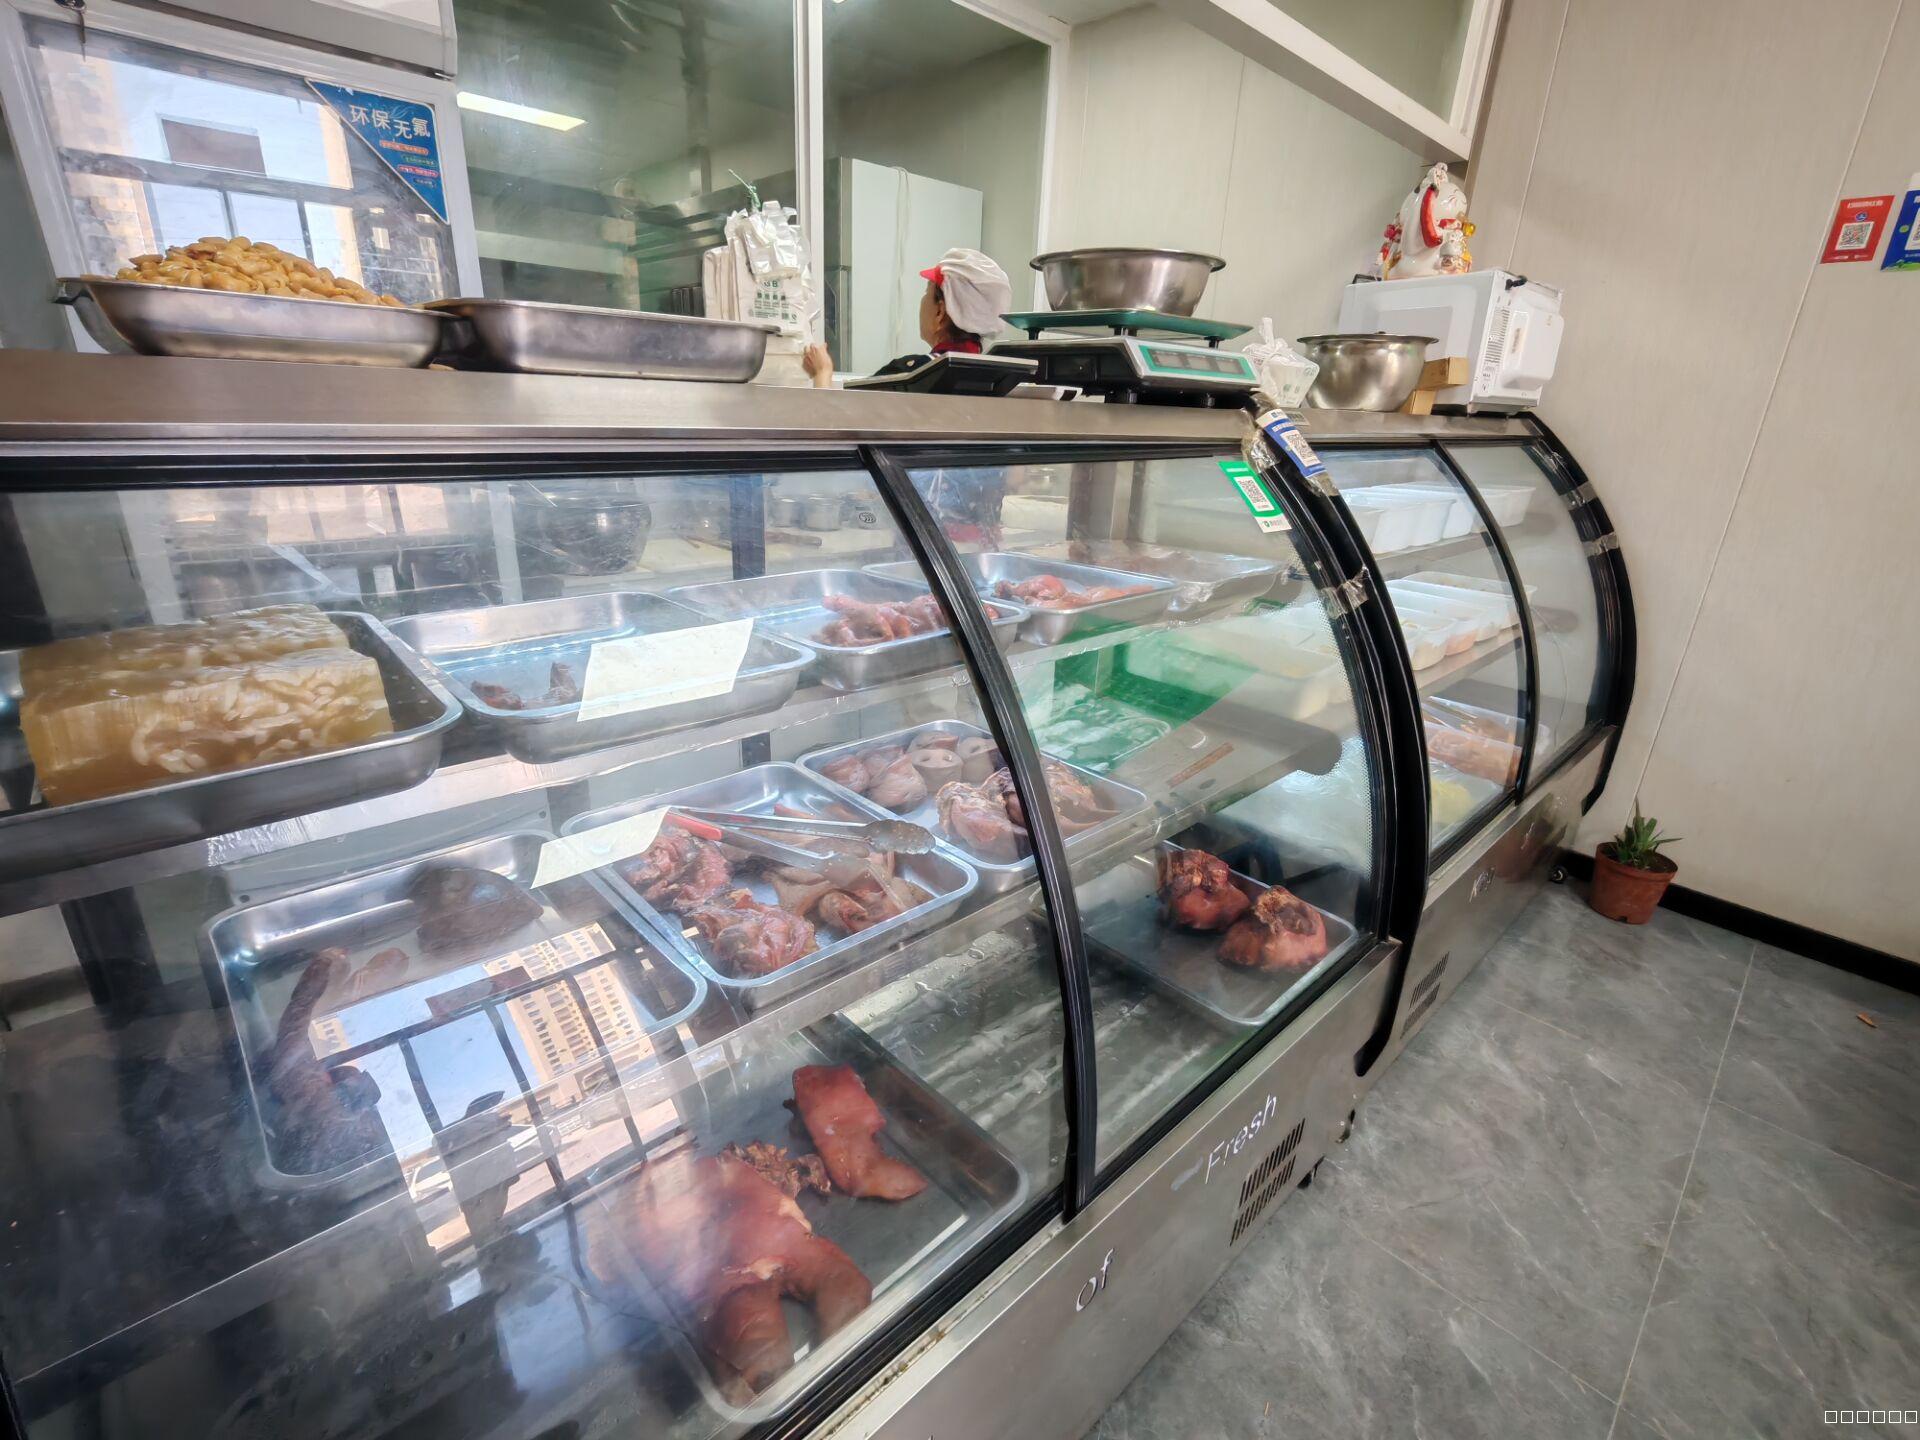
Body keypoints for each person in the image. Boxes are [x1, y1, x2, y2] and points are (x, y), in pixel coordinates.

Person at [802, 247, 1013, 388]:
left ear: (940, 313)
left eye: (926, 292)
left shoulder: (911, 376)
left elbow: (835, 422)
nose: (922, 301)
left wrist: (822, 372)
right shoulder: (993, 380)